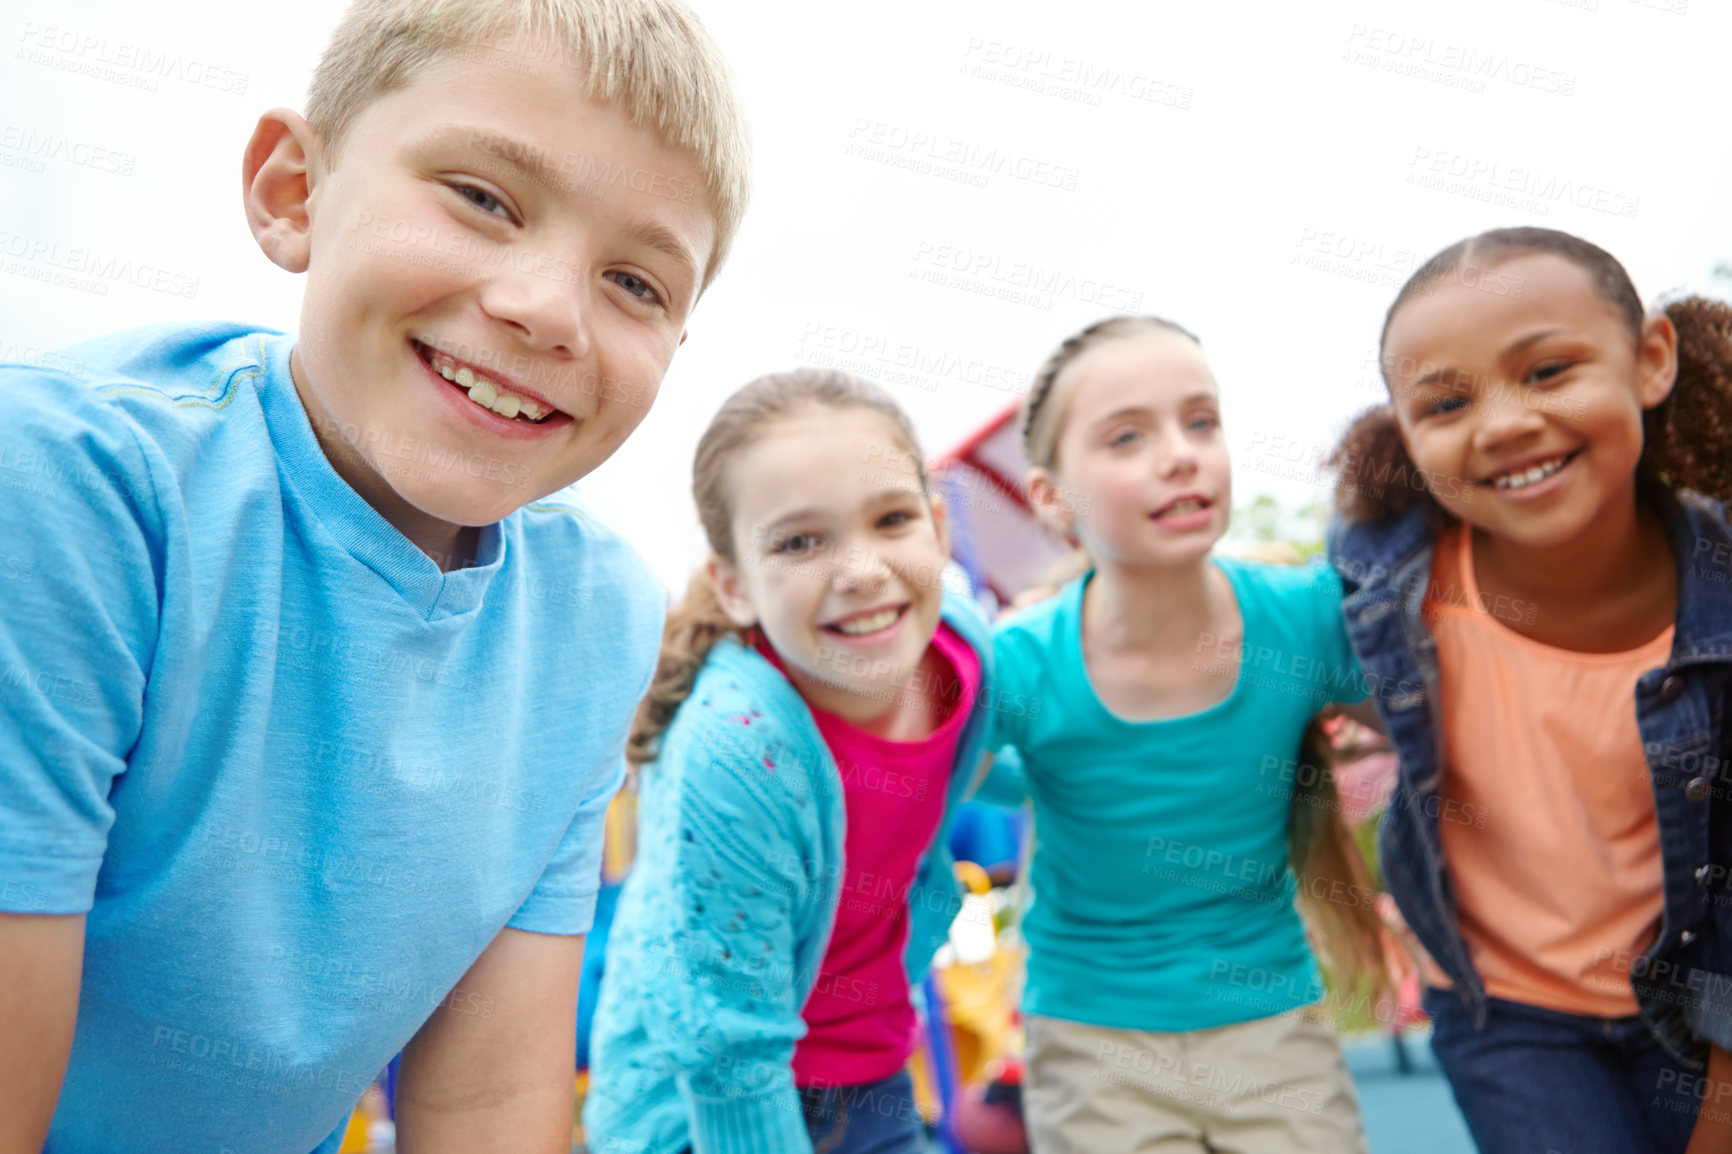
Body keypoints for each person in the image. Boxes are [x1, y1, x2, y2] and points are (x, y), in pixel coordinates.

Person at [0, 1, 749, 1149]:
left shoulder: (598, 615)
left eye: (636, 283)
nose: (548, 309)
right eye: (483, 198)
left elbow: (490, 1103)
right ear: (293, 190)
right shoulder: (73, 482)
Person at [1327, 225, 1732, 1154]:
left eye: (1548, 371)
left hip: (1699, 993)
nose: (1504, 422)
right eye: (1447, 403)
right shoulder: (1390, 583)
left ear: (1651, 360)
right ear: (1406, 434)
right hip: (1504, 1009)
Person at [978, 316, 1383, 1153]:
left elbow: (1452, 722)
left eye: (1201, 422)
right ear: (1053, 497)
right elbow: (952, 774)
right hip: (1094, 1042)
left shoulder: (1303, 620)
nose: (1180, 452)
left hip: (1270, 1022)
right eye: (1128, 437)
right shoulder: (1020, 662)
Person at [583, 369, 999, 1154]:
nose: (861, 569)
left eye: (892, 519)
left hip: (869, 1067)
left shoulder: (967, 657)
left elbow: (993, 763)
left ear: (939, 532)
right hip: (695, 1103)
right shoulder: (737, 749)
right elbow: (727, 1046)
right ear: (734, 587)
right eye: (801, 541)